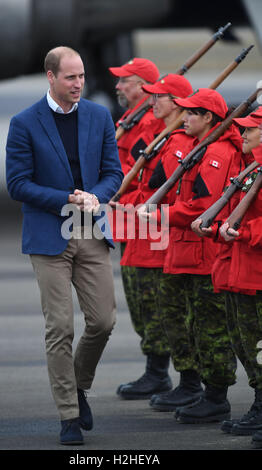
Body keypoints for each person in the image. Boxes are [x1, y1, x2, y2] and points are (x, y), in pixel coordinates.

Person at [6, 46, 123, 445]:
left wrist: (95, 195)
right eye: (71, 77)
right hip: (47, 235)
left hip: (91, 228)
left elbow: (114, 172)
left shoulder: (98, 115)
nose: (79, 84)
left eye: (82, 77)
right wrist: (65, 198)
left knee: (103, 321)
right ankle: (69, 416)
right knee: (59, 327)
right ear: (51, 77)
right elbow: (17, 184)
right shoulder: (24, 123)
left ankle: (78, 385)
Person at [139, 88, 242, 422]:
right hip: (188, 251)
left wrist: (160, 216)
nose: (184, 118)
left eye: (191, 114)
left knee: (210, 327)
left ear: (208, 118)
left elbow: (202, 206)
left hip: (203, 255)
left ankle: (215, 396)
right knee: (193, 323)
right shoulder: (204, 148)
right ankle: (200, 389)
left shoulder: (217, 154)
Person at [116, 74, 194, 400]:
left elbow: (166, 196)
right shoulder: (155, 133)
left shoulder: (174, 144)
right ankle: (158, 371)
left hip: (156, 236)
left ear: (176, 103)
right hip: (139, 231)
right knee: (146, 307)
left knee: (164, 310)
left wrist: (126, 204)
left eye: (159, 95)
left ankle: (168, 375)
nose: (153, 101)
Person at [192, 107, 262, 440]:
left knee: (259, 344)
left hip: (256, 273)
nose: (242, 134)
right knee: (244, 343)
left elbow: (251, 224)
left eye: (250, 130)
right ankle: (259, 404)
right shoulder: (252, 168)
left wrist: (244, 233)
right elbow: (235, 212)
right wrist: (215, 227)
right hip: (238, 270)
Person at [108, 58, 171, 399]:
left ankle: (159, 372)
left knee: (150, 300)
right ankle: (155, 370)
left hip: (144, 224)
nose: (118, 87)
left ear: (144, 86)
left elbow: (140, 176)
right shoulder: (130, 119)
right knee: (138, 299)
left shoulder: (149, 125)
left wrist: (111, 189)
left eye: (125, 81)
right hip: (127, 223)